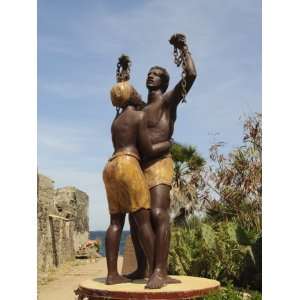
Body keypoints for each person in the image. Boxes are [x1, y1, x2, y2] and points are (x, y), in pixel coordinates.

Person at [127, 33, 197, 289]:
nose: (150, 76)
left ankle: (160, 270)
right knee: (137, 218)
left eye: (156, 74)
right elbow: (122, 96)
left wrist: (184, 48)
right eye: (149, 73)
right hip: (139, 166)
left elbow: (190, 76)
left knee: (158, 213)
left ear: (164, 82)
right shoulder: (140, 109)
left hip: (160, 164)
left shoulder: (168, 102)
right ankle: (142, 267)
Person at [103, 90, 171, 285]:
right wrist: (166, 144)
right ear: (131, 96)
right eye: (135, 92)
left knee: (115, 222)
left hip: (110, 167)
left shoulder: (116, 121)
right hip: (128, 164)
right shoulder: (139, 116)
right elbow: (147, 149)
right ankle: (156, 272)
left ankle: (112, 274)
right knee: (143, 220)